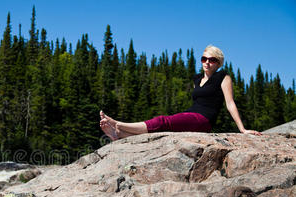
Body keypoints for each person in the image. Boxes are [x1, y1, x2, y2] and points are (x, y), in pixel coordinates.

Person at [100, 45, 262, 140]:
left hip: (203, 120)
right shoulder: (197, 79)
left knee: (163, 121)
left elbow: (230, 103)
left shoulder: (223, 77)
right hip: (191, 116)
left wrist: (242, 129)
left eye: (212, 60)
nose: (207, 62)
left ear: (218, 63)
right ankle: (119, 135)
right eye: (204, 58)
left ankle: (118, 124)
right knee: (164, 130)